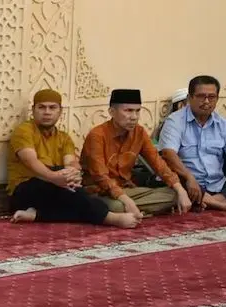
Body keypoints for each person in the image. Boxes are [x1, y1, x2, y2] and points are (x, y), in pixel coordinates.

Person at [7, 89, 137, 228]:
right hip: (25, 189)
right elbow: (31, 161)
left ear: (60, 111)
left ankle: (36, 215)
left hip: (56, 189)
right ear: (33, 110)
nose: (47, 112)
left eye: (52, 108)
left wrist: (73, 173)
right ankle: (111, 218)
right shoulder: (24, 131)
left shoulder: (64, 137)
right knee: (70, 191)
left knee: (72, 194)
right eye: (42, 107)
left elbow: (71, 162)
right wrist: (54, 177)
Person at [159, 75, 226, 212]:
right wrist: (189, 178)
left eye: (211, 97)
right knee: (176, 187)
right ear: (189, 98)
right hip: (188, 181)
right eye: (201, 96)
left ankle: (211, 201)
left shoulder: (222, 124)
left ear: (217, 99)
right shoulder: (175, 121)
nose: (206, 101)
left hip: (217, 184)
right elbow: (168, 154)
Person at [81, 88, 192, 217]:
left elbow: (158, 164)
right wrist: (126, 200)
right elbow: (100, 176)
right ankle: (135, 210)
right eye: (128, 111)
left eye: (137, 111)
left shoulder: (139, 132)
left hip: (128, 190)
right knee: (116, 206)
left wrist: (180, 189)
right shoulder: (97, 135)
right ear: (112, 112)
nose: (134, 117)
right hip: (100, 192)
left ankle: (133, 211)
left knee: (174, 194)